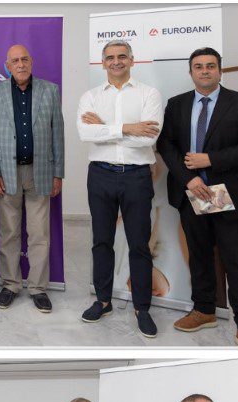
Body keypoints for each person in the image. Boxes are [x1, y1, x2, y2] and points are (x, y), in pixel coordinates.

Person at [156, 48, 238, 347]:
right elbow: (166, 145)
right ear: (191, 72)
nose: (204, 70)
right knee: (200, 256)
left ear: (220, 70)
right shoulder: (177, 104)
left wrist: (211, 159)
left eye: (210, 66)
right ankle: (204, 310)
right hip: (193, 194)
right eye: (198, 66)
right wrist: (189, 178)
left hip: (231, 196)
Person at [77, 40, 163, 338]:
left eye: (122, 56)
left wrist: (105, 127)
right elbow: (85, 132)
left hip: (137, 176)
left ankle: (142, 307)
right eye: (110, 57)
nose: (116, 61)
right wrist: (127, 127)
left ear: (132, 60)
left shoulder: (149, 94)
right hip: (100, 175)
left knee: (139, 244)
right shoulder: (90, 96)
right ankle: (102, 301)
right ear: (103, 63)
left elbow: (148, 138)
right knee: (101, 241)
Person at [0, 44, 64, 313]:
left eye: (25, 59)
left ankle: (38, 288)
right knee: (9, 233)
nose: (20, 64)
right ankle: (10, 285)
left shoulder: (49, 90)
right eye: (15, 61)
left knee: (39, 233)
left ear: (31, 62)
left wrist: (58, 173)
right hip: (7, 173)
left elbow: (57, 133)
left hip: (40, 171)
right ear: (7, 65)